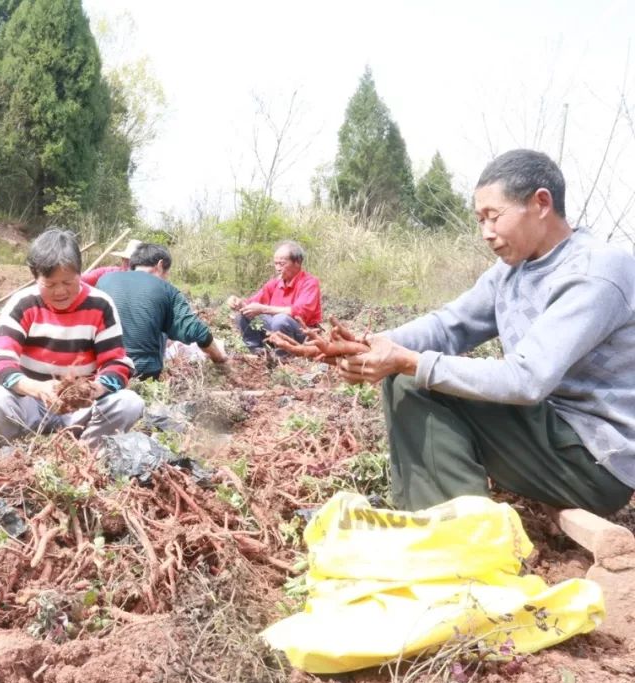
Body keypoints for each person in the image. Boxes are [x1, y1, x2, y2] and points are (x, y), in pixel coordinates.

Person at [337, 149, 635, 515]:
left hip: (595, 462)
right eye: (479, 220)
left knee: (415, 379)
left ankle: (458, 536)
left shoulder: (596, 271)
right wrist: (377, 344)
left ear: (541, 203)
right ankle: (442, 518)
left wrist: (409, 361)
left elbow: (527, 378)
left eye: (493, 218)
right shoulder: (510, 271)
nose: (486, 233)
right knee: (408, 375)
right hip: (546, 435)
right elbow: (449, 325)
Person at [0, 228, 144, 446]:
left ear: (80, 274)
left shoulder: (101, 305)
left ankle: (89, 454)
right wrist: (36, 388)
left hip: (81, 409)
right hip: (30, 402)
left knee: (129, 403)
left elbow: (116, 364)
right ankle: (1, 457)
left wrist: (93, 390)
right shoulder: (23, 304)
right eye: (50, 284)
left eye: (68, 282)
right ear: (35, 276)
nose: (60, 292)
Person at [97, 243, 228, 380]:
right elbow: (198, 332)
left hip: (103, 369)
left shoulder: (104, 280)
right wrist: (220, 359)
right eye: (167, 273)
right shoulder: (166, 289)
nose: (167, 278)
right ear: (160, 265)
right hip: (142, 372)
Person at [227, 241, 322, 354]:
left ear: (297, 262)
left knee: (280, 319)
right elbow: (252, 303)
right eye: (275, 264)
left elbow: (300, 312)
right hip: (275, 329)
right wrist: (238, 302)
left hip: (302, 334)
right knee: (245, 313)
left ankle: (284, 356)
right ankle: (256, 350)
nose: (277, 268)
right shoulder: (274, 284)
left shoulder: (310, 282)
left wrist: (264, 309)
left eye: (282, 264)